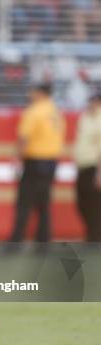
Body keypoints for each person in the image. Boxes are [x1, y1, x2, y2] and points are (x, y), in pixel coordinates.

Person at [7, 83, 65, 244]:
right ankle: (43, 240)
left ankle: (16, 240)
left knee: (24, 203)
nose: (30, 94)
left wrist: (17, 159)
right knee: (44, 204)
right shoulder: (55, 112)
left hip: (35, 162)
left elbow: (24, 138)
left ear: (40, 93)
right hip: (51, 162)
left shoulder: (34, 111)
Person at [73, 93, 101, 243]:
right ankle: (91, 234)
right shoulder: (85, 118)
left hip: (94, 168)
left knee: (95, 205)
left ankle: (95, 238)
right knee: (82, 203)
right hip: (82, 167)